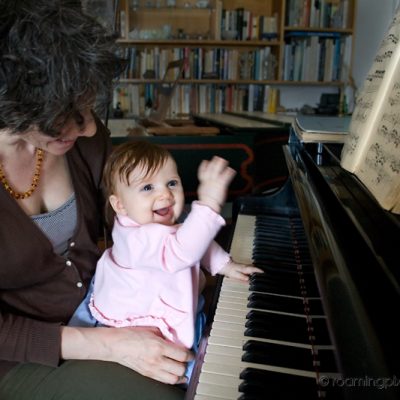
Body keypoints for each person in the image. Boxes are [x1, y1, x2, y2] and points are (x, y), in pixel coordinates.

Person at [0, 1, 193, 399]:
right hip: (21, 356)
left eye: (88, 106)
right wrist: (113, 345)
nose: (89, 127)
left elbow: (137, 221)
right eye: (70, 112)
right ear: (16, 102)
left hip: (107, 314)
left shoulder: (80, 140)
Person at [68, 141, 262, 382]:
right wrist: (209, 203)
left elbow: (194, 242)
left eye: (172, 183)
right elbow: (184, 250)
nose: (165, 194)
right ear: (120, 205)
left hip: (160, 297)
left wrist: (225, 265)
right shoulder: (137, 239)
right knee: (195, 374)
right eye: (147, 187)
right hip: (138, 322)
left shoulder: (156, 224)